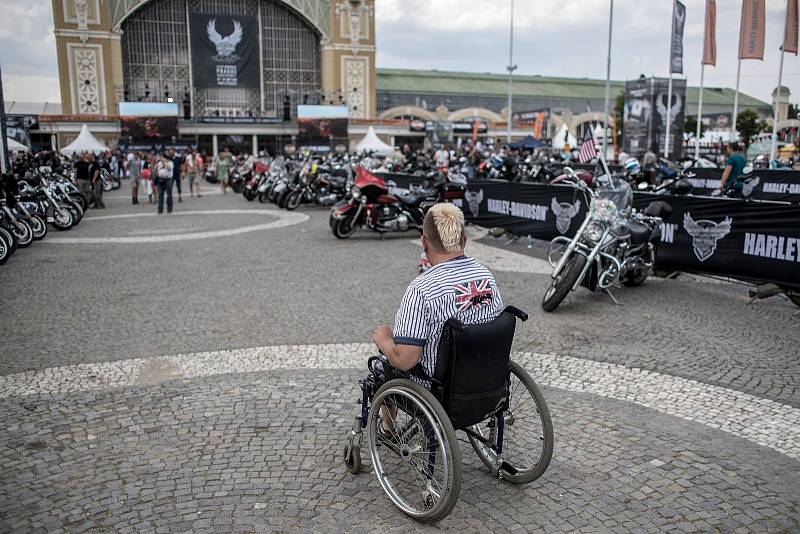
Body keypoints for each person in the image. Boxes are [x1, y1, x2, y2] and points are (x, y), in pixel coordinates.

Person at [371, 203, 504, 387]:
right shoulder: (485, 276)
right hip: (487, 379)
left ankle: (387, 417)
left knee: (381, 367)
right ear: (464, 240)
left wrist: (384, 339)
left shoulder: (422, 289)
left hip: (440, 390)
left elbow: (406, 360)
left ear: (424, 243)